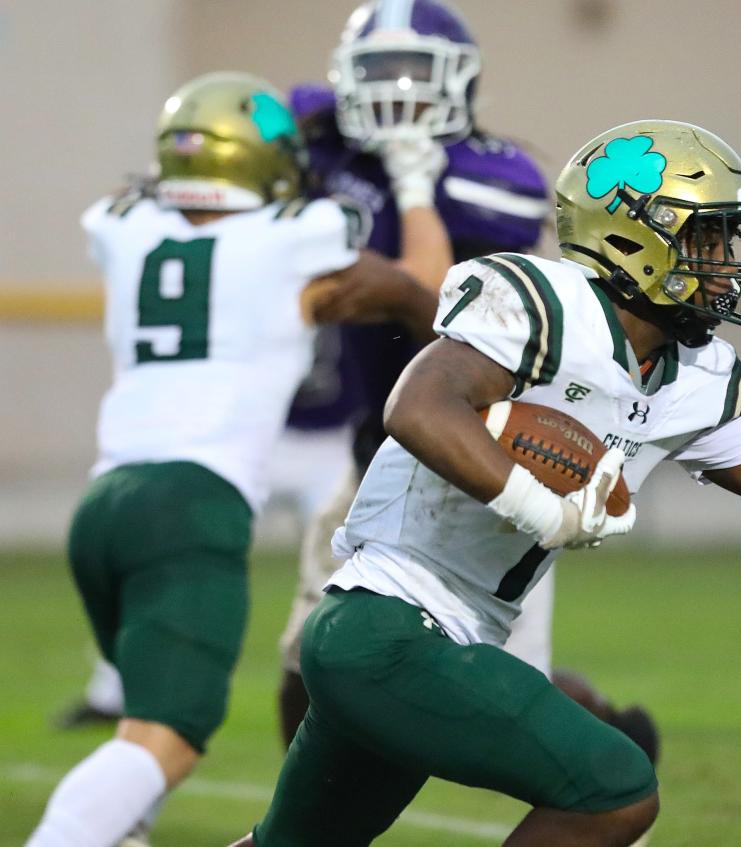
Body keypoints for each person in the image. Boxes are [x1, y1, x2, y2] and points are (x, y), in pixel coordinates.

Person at [227, 118, 741, 847]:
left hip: (429, 634)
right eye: (707, 240)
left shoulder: (693, 373)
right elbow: (416, 406)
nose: (728, 265)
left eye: (730, 241)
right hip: (387, 625)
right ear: (633, 236)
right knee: (614, 789)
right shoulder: (547, 302)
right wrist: (543, 507)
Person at [26, 69, 451, 847]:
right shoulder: (300, 232)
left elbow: (148, 205)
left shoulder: (122, 221)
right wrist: (414, 183)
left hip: (106, 503)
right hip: (190, 504)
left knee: (138, 726)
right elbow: (422, 285)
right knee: (167, 737)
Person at [275, 0, 659, 766]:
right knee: (310, 658)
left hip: (483, 445)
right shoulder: (334, 148)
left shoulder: (496, 177)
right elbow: (288, 109)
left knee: (510, 686)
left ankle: (613, 740)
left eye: (415, 72)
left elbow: (461, 322)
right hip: (377, 443)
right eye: (377, 71)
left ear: (460, 81)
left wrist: (408, 217)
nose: (396, 92)